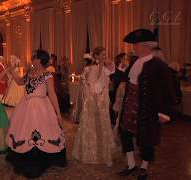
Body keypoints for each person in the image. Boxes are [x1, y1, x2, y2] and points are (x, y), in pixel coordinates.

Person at [118, 29, 175, 180]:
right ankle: (131, 165)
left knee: (146, 138)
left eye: (136, 45)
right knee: (125, 134)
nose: (134, 47)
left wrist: (164, 112)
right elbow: (126, 79)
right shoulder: (134, 62)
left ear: (146, 46)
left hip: (147, 108)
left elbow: (168, 90)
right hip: (130, 105)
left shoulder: (159, 65)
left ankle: (144, 167)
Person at [6, 49, 66, 178]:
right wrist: (11, 71)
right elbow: (19, 82)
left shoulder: (47, 75)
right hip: (25, 105)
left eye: (34, 57)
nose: (32, 59)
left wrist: (58, 114)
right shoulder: (29, 72)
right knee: (24, 130)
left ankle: (40, 160)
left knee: (43, 131)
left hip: (41, 106)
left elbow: (52, 94)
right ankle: (24, 156)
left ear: (39, 59)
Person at [72, 47, 116, 167]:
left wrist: (106, 68)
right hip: (91, 102)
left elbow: (107, 84)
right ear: (96, 56)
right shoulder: (89, 69)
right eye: (102, 54)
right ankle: (89, 153)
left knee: (103, 124)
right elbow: (91, 86)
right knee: (90, 125)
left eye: (106, 54)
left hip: (102, 102)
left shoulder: (107, 68)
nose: (105, 56)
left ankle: (104, 154)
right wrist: (101, 67)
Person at [109, 53, 129, 127]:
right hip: (115, 90)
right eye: (124, 58)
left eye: (126, 58)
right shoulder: (115, 70)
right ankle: (114, 122)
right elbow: (114, 80)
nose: (126, 60)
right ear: (121, 59)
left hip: (122, 90)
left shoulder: (126, 68)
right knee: (114, 105)